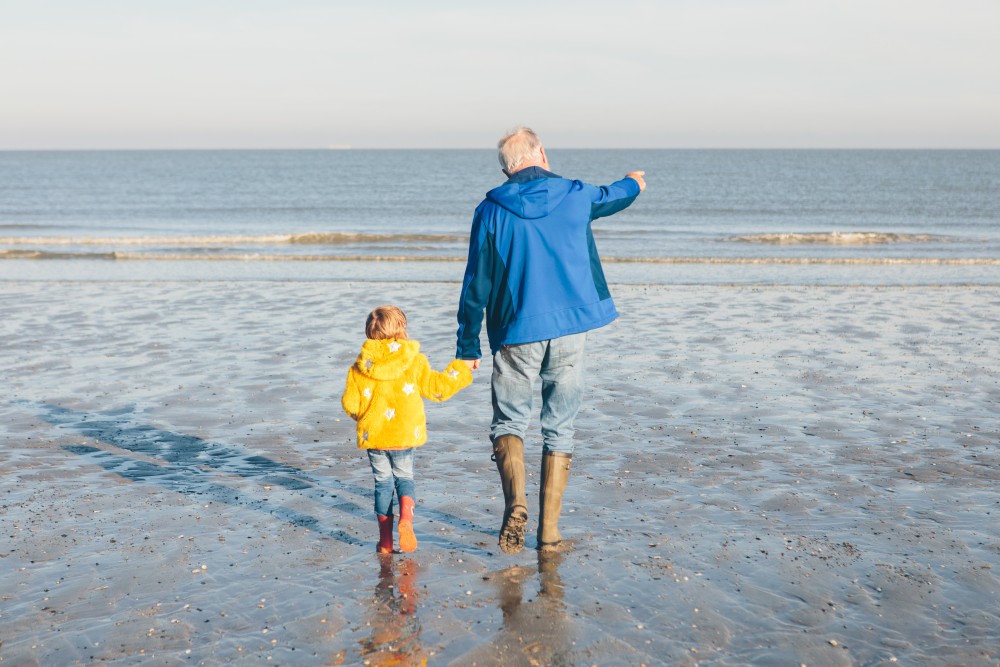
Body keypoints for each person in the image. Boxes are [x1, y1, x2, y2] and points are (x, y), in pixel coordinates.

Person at [456, 127, 646, 554]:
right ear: (541, 153)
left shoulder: (489, 211)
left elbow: (476, 285)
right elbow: (612, 195)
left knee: (509, 421)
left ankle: (516, 503)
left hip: (515, 330)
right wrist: (635, 182)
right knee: (559, 427)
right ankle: (549, 533)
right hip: (569, 329)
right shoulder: (575, 194)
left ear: (507, 168)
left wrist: (467, 345)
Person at [343, 305, 472, 553]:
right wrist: (461, 369)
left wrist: (365, 418)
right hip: (403, 435)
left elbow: (351, 404)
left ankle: (385, 542)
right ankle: (406, 520)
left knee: (382, 483)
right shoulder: (414, 361)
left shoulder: (359, 367)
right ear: (402, 329)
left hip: (376, 437)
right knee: (404, 478)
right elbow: (437, 388)